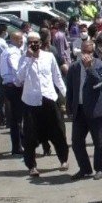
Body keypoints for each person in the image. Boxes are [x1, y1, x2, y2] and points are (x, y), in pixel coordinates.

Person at [17, 31, 70, 177]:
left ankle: (63, 160)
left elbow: (57, 76)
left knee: (58, 131)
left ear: (41, 43)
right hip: (31, 101)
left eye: (36, 42)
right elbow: (18, 79)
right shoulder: (24, 59)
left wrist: (65, 95)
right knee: (30, 136)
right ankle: (32, 166)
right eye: (31, 42)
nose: (34, 45)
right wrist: (28, 59)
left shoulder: (49, 56)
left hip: (49, 98)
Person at [66, 40, 102, 180]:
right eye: (84, 52)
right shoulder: (74, 67)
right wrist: (69, 108)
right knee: (77, 142)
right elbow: (70, 89)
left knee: (99, 142)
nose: (86, 55)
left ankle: (100, 168)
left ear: (94, 52)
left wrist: (90, 68)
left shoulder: (101, 65)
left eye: (89, 52)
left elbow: (100, 83)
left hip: (96, 109)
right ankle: (84, 168)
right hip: (79, 110)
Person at [0, 31, 25, 155]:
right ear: (14, 40)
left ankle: (18, 145)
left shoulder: (6, 51)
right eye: (20, 39)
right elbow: (17, 70)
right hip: (14, 87)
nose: (22, 41)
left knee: (15, 119)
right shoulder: (13, 52)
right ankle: (18, 146)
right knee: (17, 119)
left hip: (7, 86)